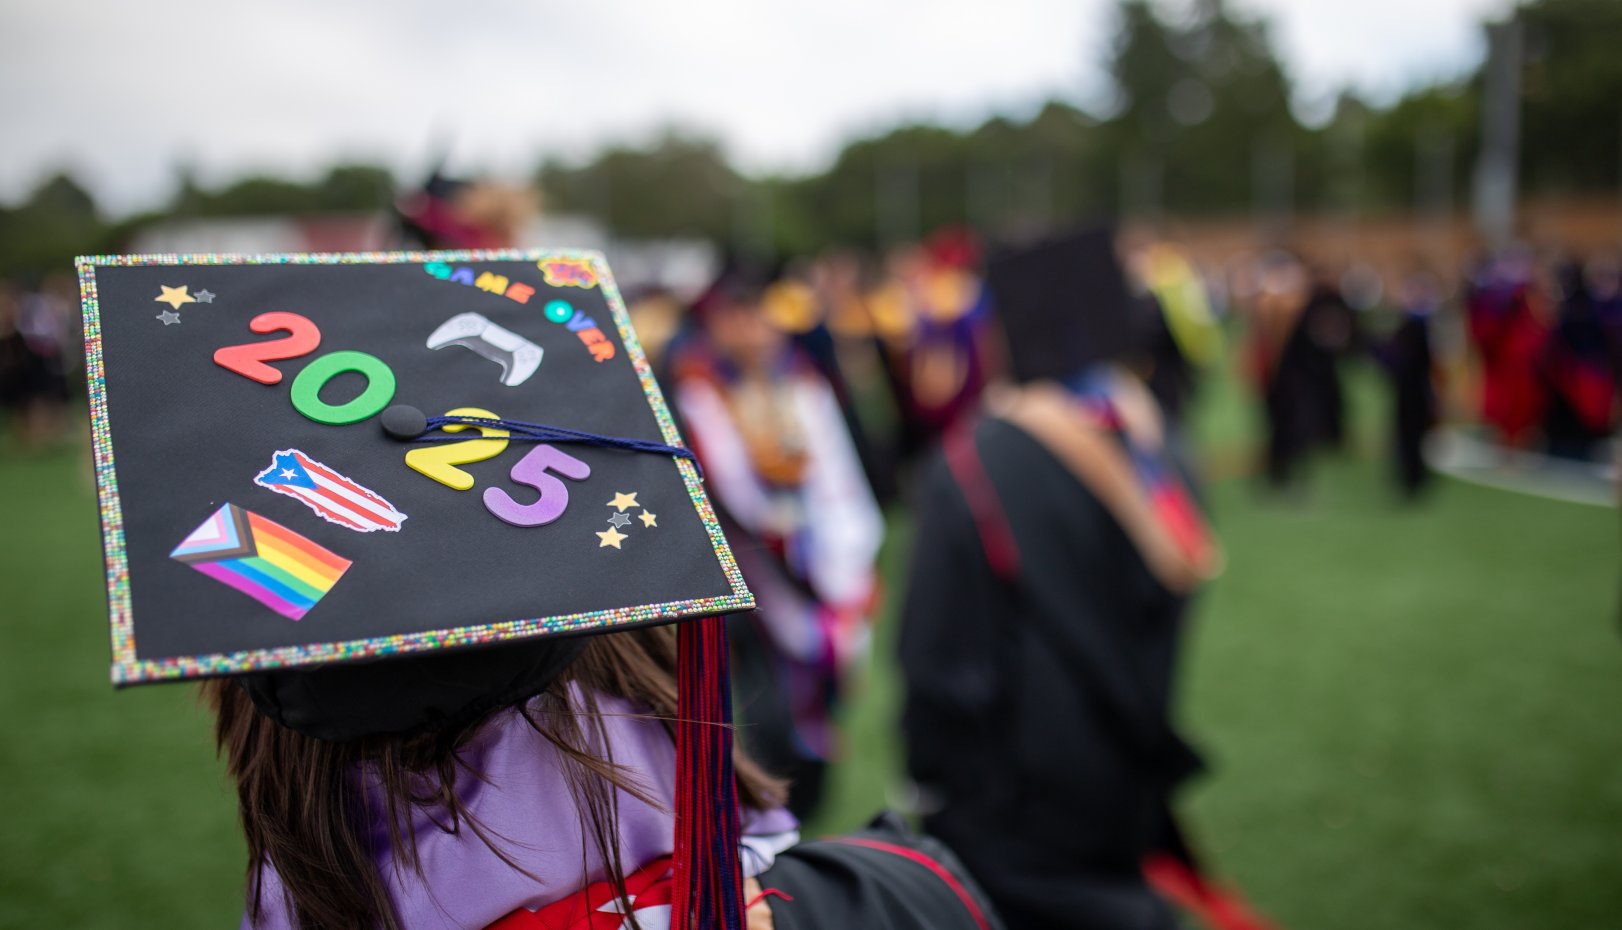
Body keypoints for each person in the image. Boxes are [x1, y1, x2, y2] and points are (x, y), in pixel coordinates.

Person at [899, 228, 1266, 930]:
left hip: (1013, 792)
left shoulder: (976, 465)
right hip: (1130, 761)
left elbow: (937, 659)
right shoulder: (1164, 446)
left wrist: (932, 775)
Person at [666, 264, 884, 821]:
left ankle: (807, 796)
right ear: (718, 323)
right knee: (764, 708)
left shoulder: (803, 383)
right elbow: (728, 489)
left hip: (815, 559)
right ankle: (765, 806)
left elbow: (837, 472)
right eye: (741, 317)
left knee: (820, 687)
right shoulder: (693, 394)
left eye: (764, 317)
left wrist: (841, 557)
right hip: (745, 578)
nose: (757, 330)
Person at [1377, 272, 1442, 498]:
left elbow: (1405, 360)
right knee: (1409, 435)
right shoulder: (1416, 323)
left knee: (1412, 435)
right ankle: (1411, 476)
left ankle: (1413, 479)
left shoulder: (1417, 324)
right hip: (1411, 388)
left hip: (1414, 389)